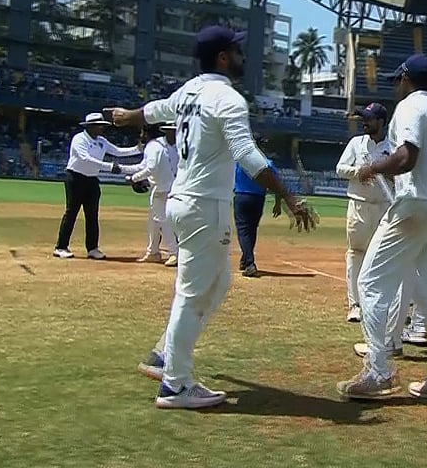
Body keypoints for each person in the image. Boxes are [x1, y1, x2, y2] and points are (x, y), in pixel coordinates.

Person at [112, 26, 318, 410]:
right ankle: (175, 385)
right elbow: (248, 154)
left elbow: (156, 110)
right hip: (204, 207)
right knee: (193, 293)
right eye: (238, 51)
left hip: (186, 202)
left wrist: (129, 116)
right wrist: (290, 195)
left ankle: (163, 356)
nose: (243, 57)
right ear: (223, 57)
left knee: (218, 283)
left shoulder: (189, 91)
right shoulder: (227, 98)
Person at [337, 53, 427, 403]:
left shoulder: (410, 107)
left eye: (397, 79)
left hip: (416, 205)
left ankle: (378, 371)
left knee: (370, 281)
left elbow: (407, 156)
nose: (396, 85)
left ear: (407, 78)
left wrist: (374, 167)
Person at [336, 102, 395, 323]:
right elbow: (340, 168)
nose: (364, 121)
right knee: (356, 253)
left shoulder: (393, 146)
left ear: (381, 122)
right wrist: (358, 172)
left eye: (369, 118)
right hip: (359, 205)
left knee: (384, 256)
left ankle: (382, 304)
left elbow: (402, 174)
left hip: (385, 207)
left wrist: (389, 173)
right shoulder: (356, 143)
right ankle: (355, 305)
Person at [53, 112, 141, 260]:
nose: (102, 129)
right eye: (99, 126)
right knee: (71, 212)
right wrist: (108, 166)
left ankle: (92, 248)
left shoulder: (102, 141)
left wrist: (139, 148)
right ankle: (61, 247)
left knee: (92, 215)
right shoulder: (79, 139)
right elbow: (85, 159)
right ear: (90, 126)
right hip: (76, 178)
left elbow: (118, 152)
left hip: (92, 180)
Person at [121, 123, 179, 266]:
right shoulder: (162, 146)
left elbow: (151, 168)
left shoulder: (155, 146)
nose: (141, 136)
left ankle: (174, 252)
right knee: (154, 221)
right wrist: (124, 170)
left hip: (164, 189)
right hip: (165, 187)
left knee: (162, 220)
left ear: (147, 134)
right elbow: (144, 166)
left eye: (142, 133)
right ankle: (153, 252)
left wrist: (134, 179)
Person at [233, 137, 281, 278]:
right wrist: (277, 203)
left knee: (243, 230)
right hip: (258, 198)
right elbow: (276, 183)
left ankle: (249, 263)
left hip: (242, 196)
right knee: (252, 229)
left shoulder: (241, 161)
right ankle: (245, 259)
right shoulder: (268, 163)